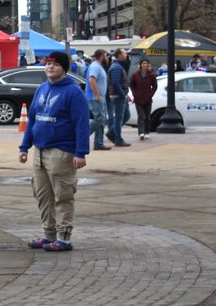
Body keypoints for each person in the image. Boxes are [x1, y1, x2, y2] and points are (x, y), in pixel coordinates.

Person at [19, 51, 90, 252]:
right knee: (43, 195)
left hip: (62, 151)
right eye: (48, 63)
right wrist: (24, 147)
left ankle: (64, 238)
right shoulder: (42, 89)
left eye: (55, 64)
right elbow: (32, 119)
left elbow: (81, 123)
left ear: (64, 68)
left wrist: (80, 152)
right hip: (40, 151)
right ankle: (48, 234)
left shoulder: (73, 92)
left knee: (62, 195)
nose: (50, 67)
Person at [85, 49, 111, 151]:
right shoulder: (95, 66)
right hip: (95, 97)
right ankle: (81, 136)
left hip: (99, 97)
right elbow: (92, 79)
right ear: (101, 56)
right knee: (99, 119)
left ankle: (99, 143)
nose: (107, 58)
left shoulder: (98, 66)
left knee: (102, 120)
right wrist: (97, 94)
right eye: (106, 55)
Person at [107, 49, 132, 147]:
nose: (126, 55)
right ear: (120, 55)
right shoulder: (116, 67)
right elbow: (115, 83)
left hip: (120, 96)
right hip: (118, 96)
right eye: (125, 53)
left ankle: (112, 132)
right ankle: (118, 139)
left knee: (126, 116)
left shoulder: (118, 66)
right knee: (119, 118)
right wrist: (122, 95)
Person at [129, 58, 158, 141]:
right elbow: (132, 85)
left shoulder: (151, 75)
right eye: (143, 63)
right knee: (141, 116)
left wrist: (151, 94)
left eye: (146, 64)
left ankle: (147, 132)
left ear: (148, 65)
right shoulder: (135, 75)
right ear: (140, 65)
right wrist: (135, 94)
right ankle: (141, 132)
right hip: (138, 99)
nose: (145, 65)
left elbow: (155, 86)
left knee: (147, 116)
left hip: (148, 99)